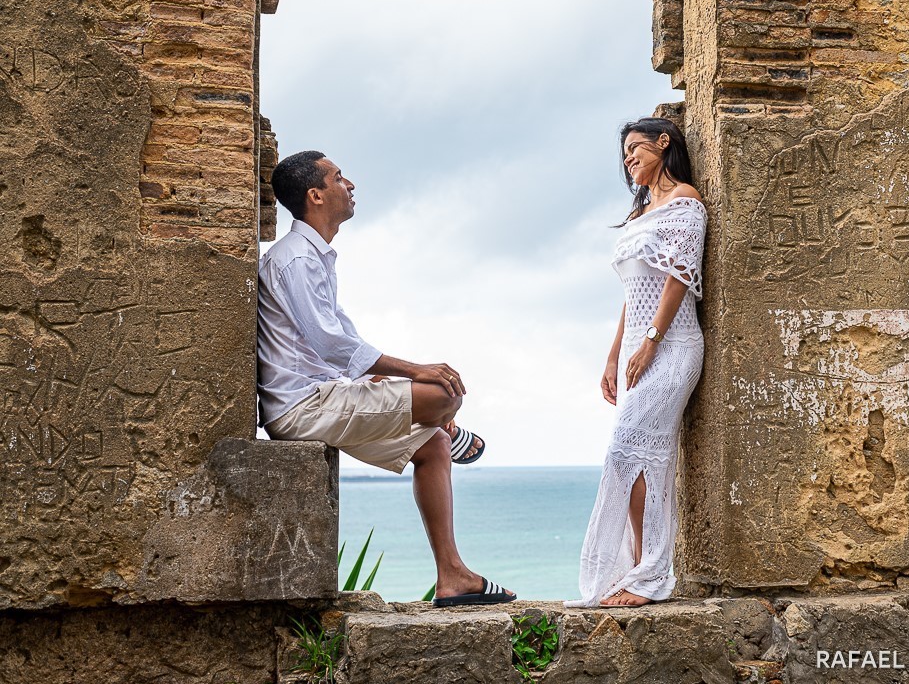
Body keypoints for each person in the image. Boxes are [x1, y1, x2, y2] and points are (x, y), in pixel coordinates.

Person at [256, 150, 515, 607]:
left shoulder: (315, 258)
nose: (350, 184)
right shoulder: (294, 258)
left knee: (431, 445)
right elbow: (330, 343)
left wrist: (377, 383)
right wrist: (415, 370)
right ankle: (446, 423)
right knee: (439, 392)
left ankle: (452, 576)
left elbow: (338, 342)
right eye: (339, 177)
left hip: (325, 395)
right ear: (316, 195)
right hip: (304, 406)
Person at [566, 117, 707, 608]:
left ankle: (649, 576)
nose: (629, 160)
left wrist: (651, 341)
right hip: (635, 352)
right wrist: (613, 355)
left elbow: (677, 280)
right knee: (632, 456)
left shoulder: (686, 203)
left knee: (633, 452)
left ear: (663, 143)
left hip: (673, 346)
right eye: (624, 155)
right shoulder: (641, 212)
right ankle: (638, 571)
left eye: (635, 149)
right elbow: (634, 292)